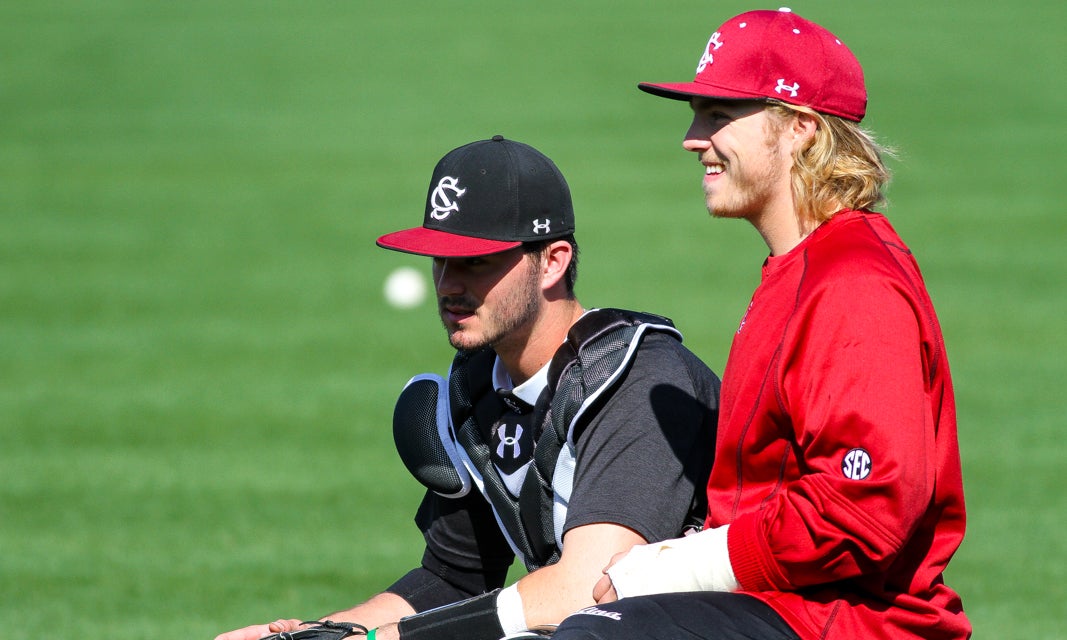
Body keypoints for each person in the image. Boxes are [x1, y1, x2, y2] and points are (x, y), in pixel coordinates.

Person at [552, 8, 970, 640]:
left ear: (800, 127)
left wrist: (680, 567)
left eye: (718, 117)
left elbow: (865, 510)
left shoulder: (854, 283)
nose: (692, 139)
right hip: (790, 606)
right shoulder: (801, 267)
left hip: (852, 622)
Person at [215, 135, 720, 640]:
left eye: (475, 262)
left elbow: (586, 588)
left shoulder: (635, 382)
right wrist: (315, 633)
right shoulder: (477, 385)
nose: (448, 285)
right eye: (441, 260)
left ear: (553, 261)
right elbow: (452, 578)